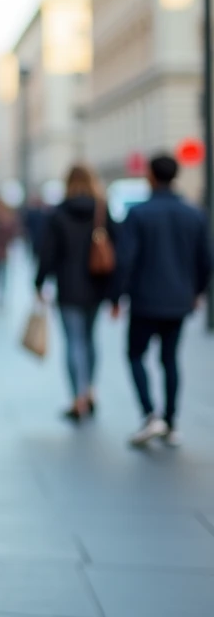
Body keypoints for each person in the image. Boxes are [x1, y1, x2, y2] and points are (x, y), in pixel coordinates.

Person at [114, 154, 213, 447]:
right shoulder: (194, 214)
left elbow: (125, 260)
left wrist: (117, 296)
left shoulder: (139, 214)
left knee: (135, 355)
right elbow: (206, 260)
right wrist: (195, 292)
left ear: (151, 176)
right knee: (170, 359)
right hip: (179, 300)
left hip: (145, 300)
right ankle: (170, 421)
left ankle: (149, 415)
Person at [34, 165, 117, 420]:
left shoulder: (59, 213)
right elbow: (117, 250)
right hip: (96, 286)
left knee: (73, 341)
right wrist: (115, 293)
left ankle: (77, 398)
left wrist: (39, 283)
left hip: (68, 287)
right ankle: (91, 390)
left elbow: (47, 253)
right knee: (91, 339)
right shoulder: (102, 210)